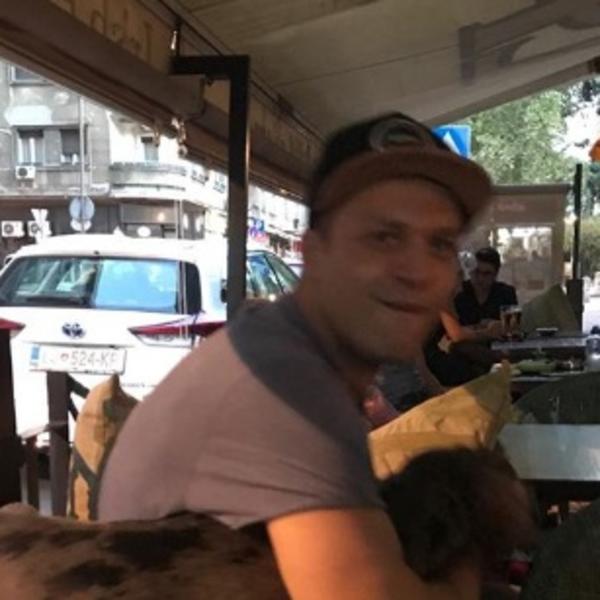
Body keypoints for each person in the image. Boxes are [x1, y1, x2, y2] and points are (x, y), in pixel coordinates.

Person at [98, 112, 493, 599]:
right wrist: (471, 566)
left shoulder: (288, 353)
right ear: (312, 251)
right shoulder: (281, 383)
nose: (417, 269)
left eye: (440, 244)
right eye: (385, 237)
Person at [455, 247, 517, 327]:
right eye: (477, 272)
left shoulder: (506, 293)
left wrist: (498, 325)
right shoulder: (458, 292)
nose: (480, 278)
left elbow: (513, 326)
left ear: (495, 274)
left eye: (487, 274)